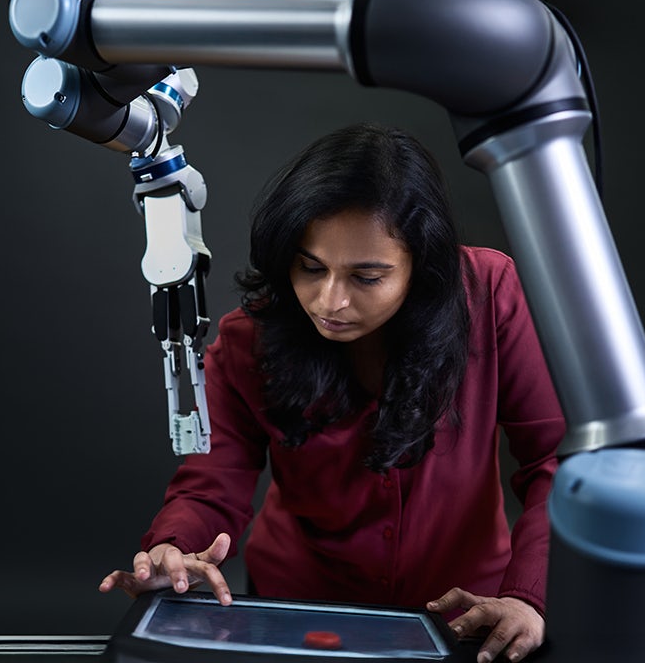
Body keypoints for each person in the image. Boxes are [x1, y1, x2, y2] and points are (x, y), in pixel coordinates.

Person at [98, 122, 565, 663]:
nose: (329, 301)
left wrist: (528, 595)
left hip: (467, 612)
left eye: (367, 277)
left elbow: (554, 460)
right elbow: (212, 483)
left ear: (421, 264)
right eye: (310, 267)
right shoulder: (248, 339)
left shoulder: (488, 296)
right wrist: (172, 549)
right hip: (299, 609)